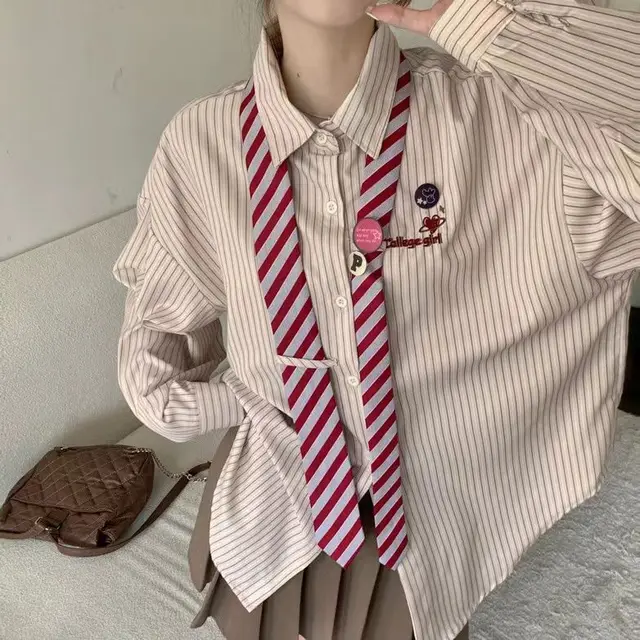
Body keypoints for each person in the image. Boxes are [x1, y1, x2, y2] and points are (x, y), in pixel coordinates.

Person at [113, 0, 639, 638]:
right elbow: (153, 364)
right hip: (273, 516)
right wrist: (265, 399)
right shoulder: (201, 144)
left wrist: (489, 23)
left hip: (433, 525)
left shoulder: (501, 115)